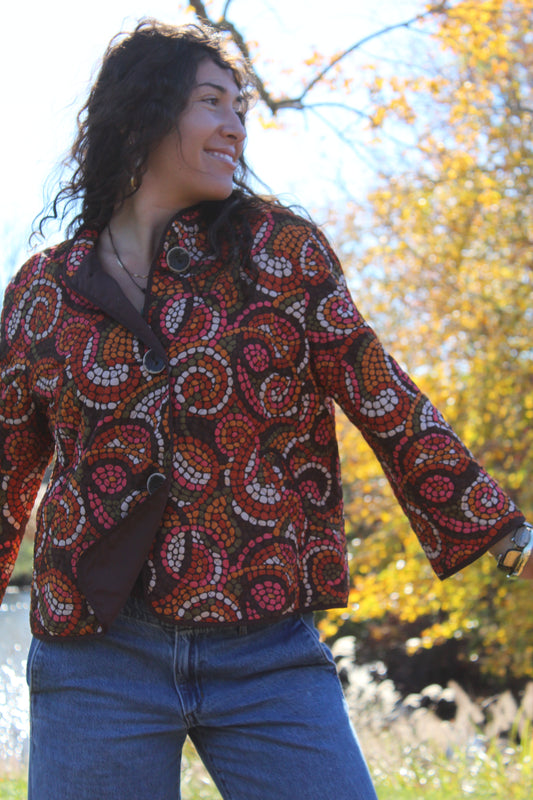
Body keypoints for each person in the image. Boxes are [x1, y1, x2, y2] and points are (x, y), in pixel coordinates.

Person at [0, 19, 530, 800]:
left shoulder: (281, 253)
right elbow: (9, 466)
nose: (235, 123)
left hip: (266, 643)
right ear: (144, 113)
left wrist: (492, 518)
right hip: (96, 655)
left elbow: (377, 388)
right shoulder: (42, 294)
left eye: (242, 105)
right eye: (212, 101)